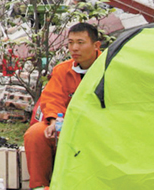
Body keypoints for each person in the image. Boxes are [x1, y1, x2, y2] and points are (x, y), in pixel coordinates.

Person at [23, 22, 102, 190]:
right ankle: (39, 186)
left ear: (96, 46)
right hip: (64, 124)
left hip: (97, 127)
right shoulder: (62, 70)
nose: (74, 48)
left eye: (80, 43)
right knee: (35, 134)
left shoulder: (108, 69)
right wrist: (53, 122)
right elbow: (52, 98)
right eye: (70, 43)